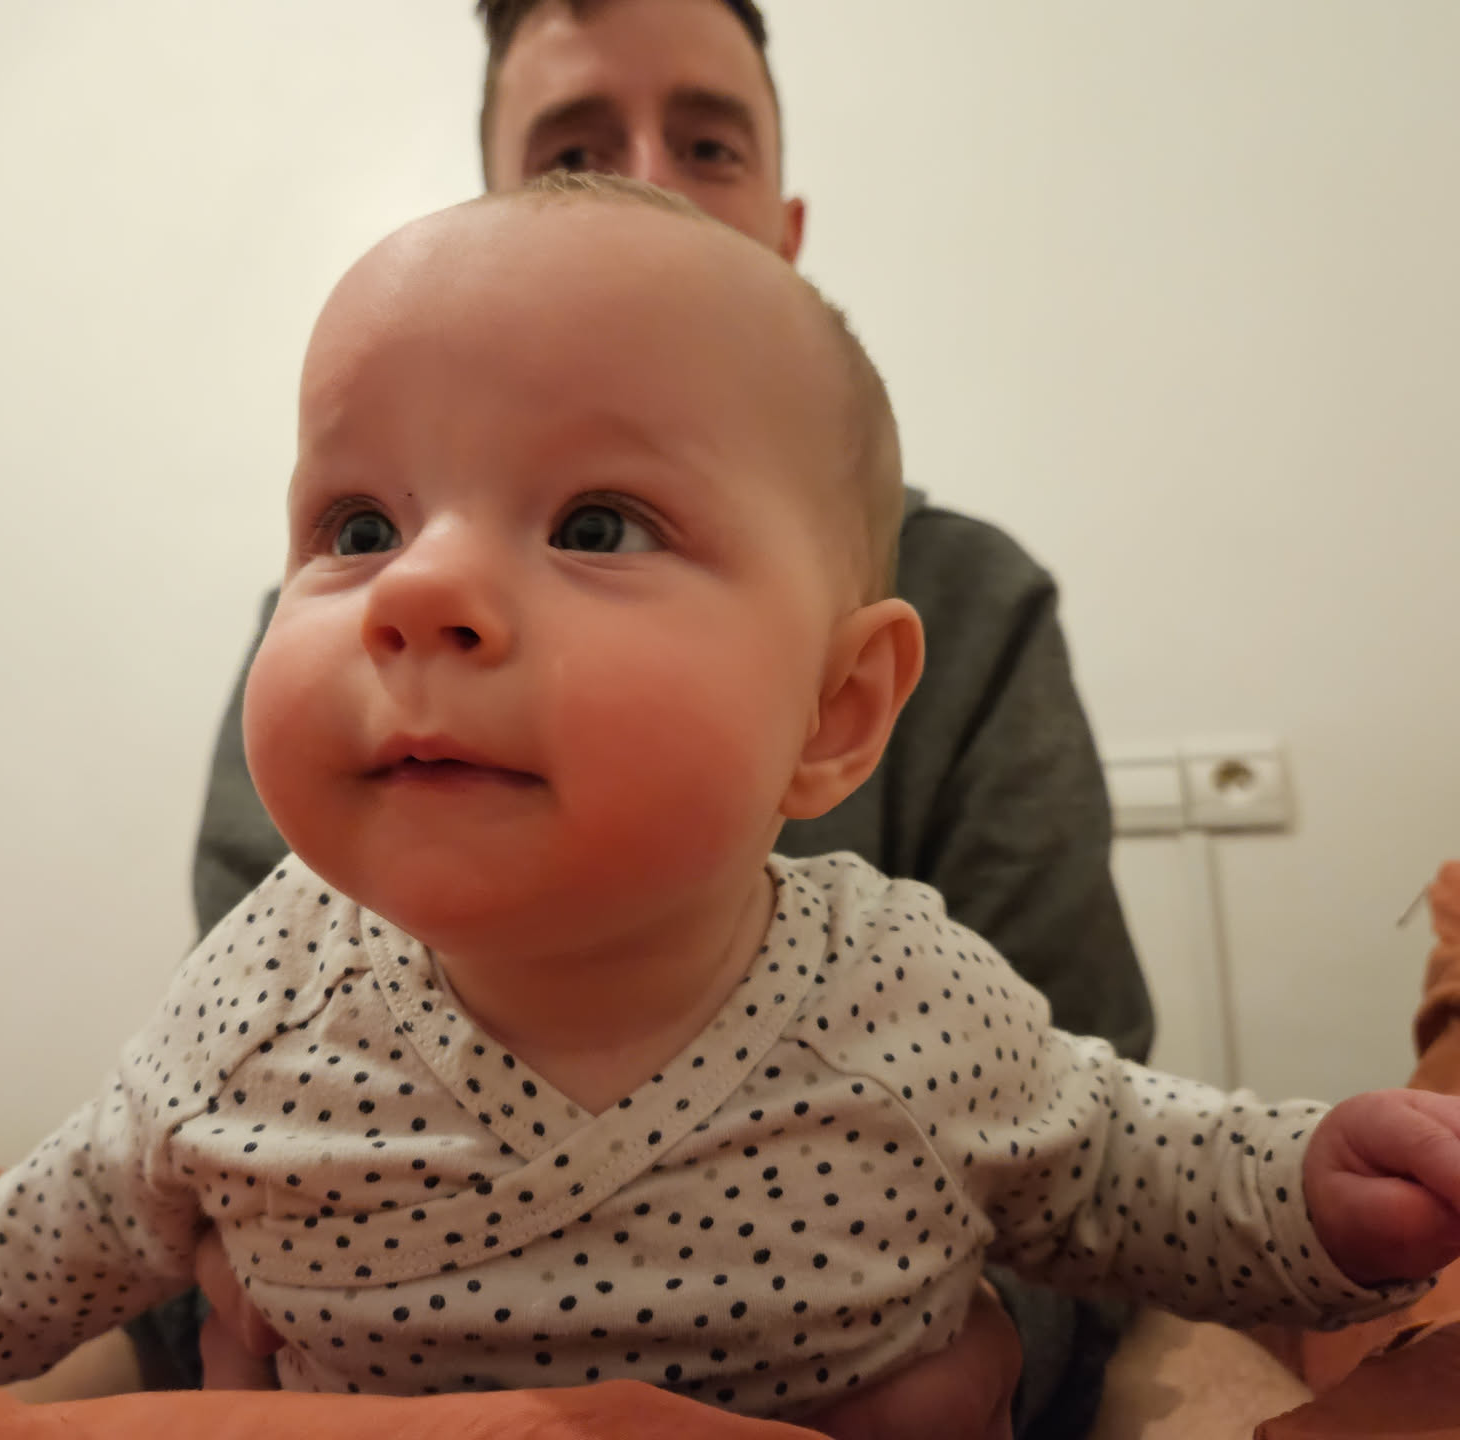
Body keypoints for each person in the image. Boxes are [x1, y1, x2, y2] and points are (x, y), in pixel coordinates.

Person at [0, 177, 1460, 1440]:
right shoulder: (259, 993)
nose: (418, 590)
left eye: (596, 524)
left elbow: (1113, 1165)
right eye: (355, 525)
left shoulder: (904, 992)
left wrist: (1316, 1191)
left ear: (836, 710)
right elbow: (82, 1204)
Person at [185, 3, 1153, 1430]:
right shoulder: (338, 635)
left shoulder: (973, 600)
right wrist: (230, 1287)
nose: (647, 184)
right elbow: (196, 1121)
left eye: (707, 145)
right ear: (501, 217)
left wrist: (986, 1347)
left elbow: (1080, 1137)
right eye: (575, 152)